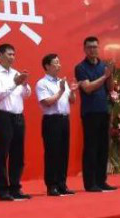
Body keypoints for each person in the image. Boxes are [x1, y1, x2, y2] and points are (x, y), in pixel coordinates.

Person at [0, 43, 32, 201]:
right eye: (9, 54)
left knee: (18, 155)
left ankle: (15, 188)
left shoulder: (16, 73)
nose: (12, 57)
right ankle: (2, 190)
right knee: (2, 154)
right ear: (0, 55)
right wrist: (15, 83)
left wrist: (24, 84)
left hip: (18, 116)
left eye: (14, 54)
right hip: (4, 117)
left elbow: (26, 95)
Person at [75, 36, 116, 192]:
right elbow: (87, 88)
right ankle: (90, 183)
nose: (93, 50)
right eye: (89, 47)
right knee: (91, 147)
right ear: (85, 49)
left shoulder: (103, 66)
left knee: (103, 147)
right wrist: (105, 76)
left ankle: (101, 180)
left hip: (103, 110)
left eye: (95, 47)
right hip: (90, 112)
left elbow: (110, 88)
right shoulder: (81, 68)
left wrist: (110, 74)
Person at [35, 53, 76, 196]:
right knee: (52, 153)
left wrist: (72, 91)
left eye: (59, 62)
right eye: (56, 63)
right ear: (47, 66)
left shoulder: (62, 82)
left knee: (64, 153)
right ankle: (51, 185)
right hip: (51, 121)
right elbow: (47, 102)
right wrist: (61, 91)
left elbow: (72, 100)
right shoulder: (42, 83)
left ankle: (62, 184)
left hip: (64, 119)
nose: (59, 65)